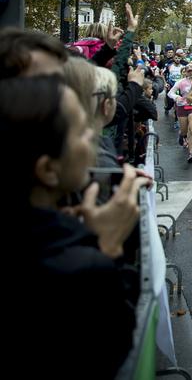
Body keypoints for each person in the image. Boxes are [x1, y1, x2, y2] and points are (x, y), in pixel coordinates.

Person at [15, 76, 152, 378]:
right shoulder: (81, 266)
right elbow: (110, 349)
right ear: (49, 169)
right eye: (81, 133)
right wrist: (109, 249)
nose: (93, 141)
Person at [170, 64, 192, 158]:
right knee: (184, 130)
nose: (190, 72)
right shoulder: (180, 82)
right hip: (182, 106)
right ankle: (183, 136)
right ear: (185, 72)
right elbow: (170, 93)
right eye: (188, 71)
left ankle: (190, 153)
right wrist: (177, 97)